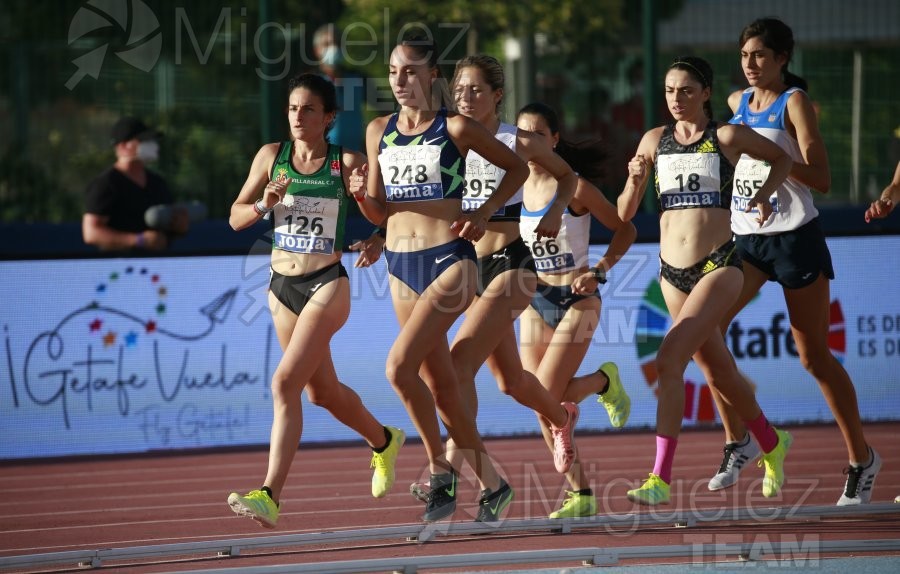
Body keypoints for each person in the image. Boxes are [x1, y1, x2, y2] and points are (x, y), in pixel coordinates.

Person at [704, 18, 882, 506]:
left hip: (794, 239)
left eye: (760, 55)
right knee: (705, 333)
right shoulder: (736, 104)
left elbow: (821, 177)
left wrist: (767, 161)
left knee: (814, 358)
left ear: (783, 58)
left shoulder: (794, 103)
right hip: (747, 241)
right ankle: (740, 440)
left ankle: (861, 459)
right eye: (744, 56)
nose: (750, 64)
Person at [354, 35, 528, 523]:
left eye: (411, 71)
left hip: (450, 260)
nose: (401, 81)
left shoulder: (454, 128)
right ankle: (494, 487)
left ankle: (439, 471)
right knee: (443, 387)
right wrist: (361, 205)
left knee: (397, 369)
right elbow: (379, 207)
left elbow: (515, 168)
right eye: (393, 72)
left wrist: (485, 209)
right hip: (399, 266)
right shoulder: (378, 130)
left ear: (434, 76)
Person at [225, 73, 405, 529]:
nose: (298, 117)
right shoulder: (272, 158)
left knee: (284, 384)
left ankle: (269, 494)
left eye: (308, 110)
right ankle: (383, 440)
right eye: (291, 109)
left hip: (327, 284)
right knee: (319, 392)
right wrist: (264, 205)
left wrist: (374, 229)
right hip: (280, 289)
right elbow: (235, 218)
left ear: (328, 118)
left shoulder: (345, 163)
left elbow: (385, 213)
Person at [617, 56, 794, 506]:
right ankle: (771, 443)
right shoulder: (654, 141)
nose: (676, 99)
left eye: (686, 91)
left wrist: (762, 194)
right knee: (718, 372)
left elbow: (782, 158)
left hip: (720, 264)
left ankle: (659, 478)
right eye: (670, 91)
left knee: (670, 356)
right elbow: (624, 214)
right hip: (671, 274)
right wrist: (634, 182)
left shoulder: (726, 137)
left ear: (706, 94)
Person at [437, 55, 582, 480]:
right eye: (459, 89)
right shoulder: (446, 138)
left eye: (476, 90)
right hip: (464, 268)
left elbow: (568, 176)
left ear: (497, 95)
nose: (465, 97)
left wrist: (556, 211)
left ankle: (450, 466)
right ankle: (561, 416)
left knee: (459, 362)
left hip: (510, 263)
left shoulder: (516, 140)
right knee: (512, 381)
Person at [515, 102, 637, 518]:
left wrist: (600, 271)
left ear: (553, 140)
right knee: (537, 400)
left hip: (578, 297)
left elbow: (626, 228)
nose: (525, 141)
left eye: (535, 134)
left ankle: (604, 381)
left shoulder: (575, 188)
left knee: (547, 393)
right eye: (520, 133)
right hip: (536, 299)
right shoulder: (515, 185)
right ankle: (582, 494)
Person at [82, 116, 188, 251]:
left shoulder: (158, 183)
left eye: (152, 140)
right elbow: (91, 233)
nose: (152, 145)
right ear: (123, 146)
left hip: (159, 267)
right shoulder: (105, 184)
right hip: (121, 268)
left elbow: (168, 228)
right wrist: (138, 240)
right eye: (144, 140)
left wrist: (179, 227)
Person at [312, 23, 366, 152]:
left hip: (356, 158)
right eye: (327, 44)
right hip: (322, 159)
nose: (334, 48)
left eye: (337, 43)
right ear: (316, 50)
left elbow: (385, 111)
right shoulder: (310, 83)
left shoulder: (359, 78)